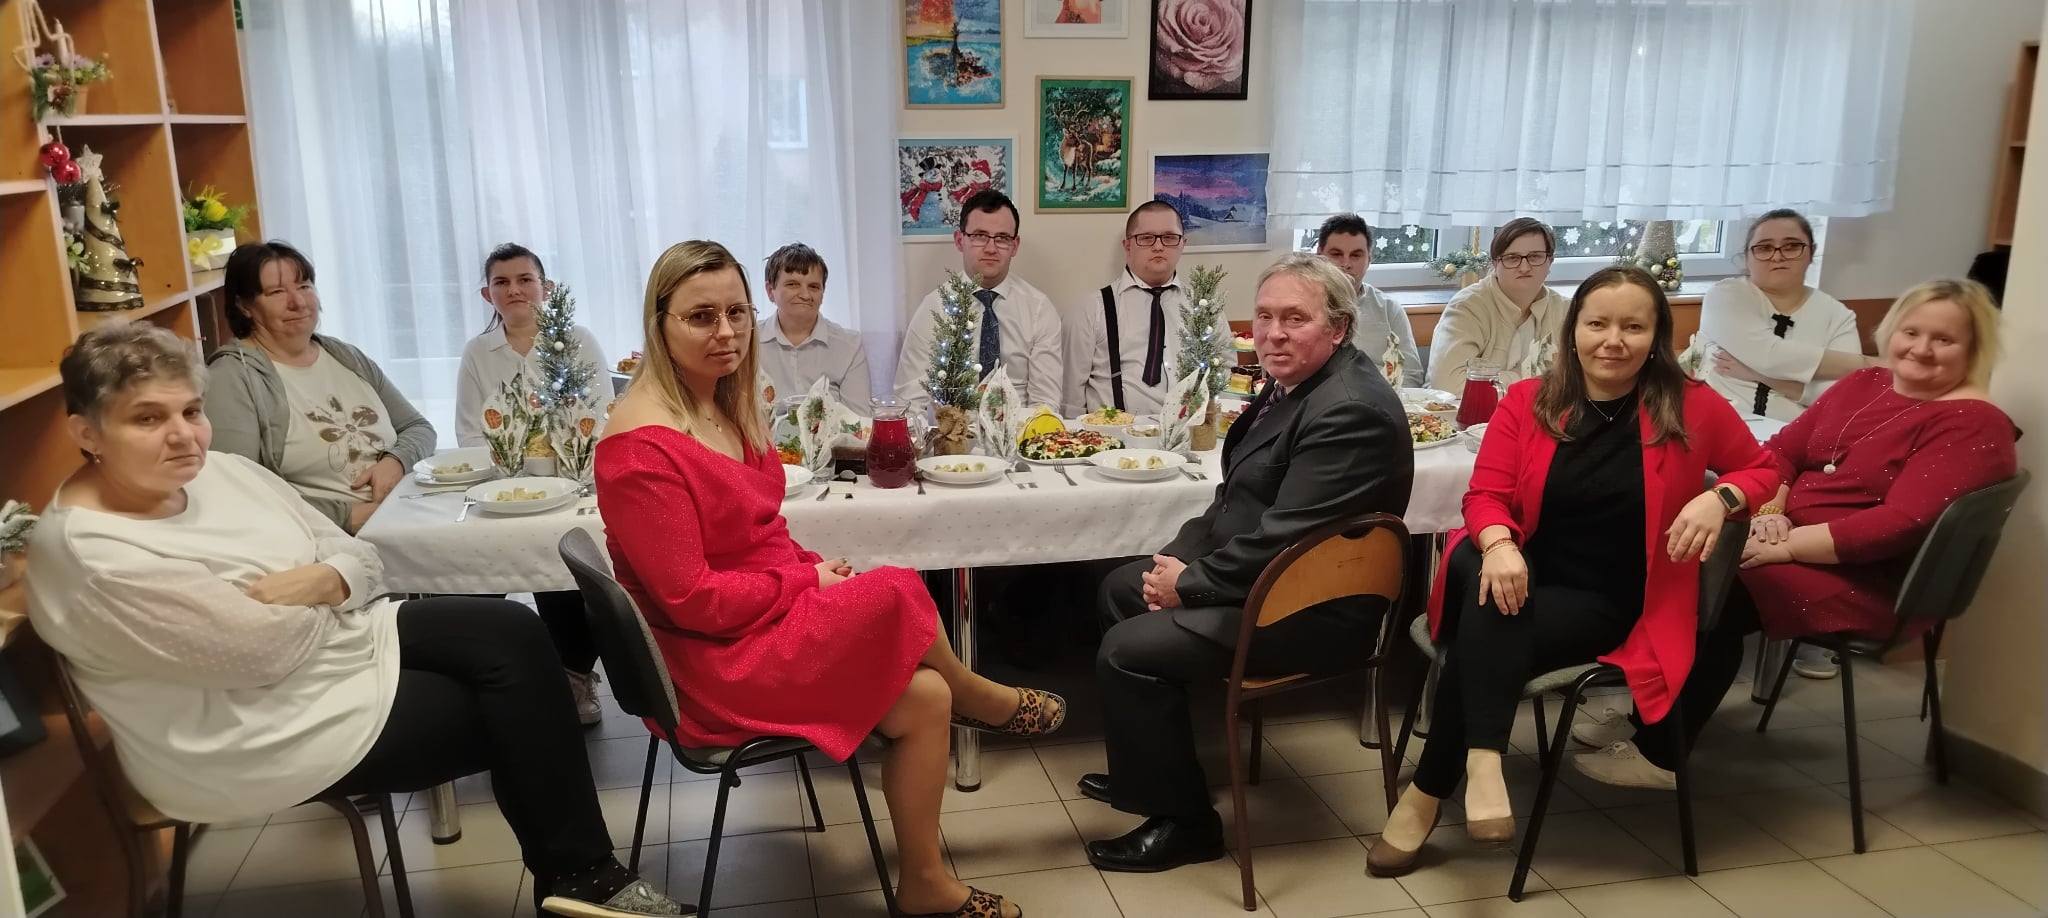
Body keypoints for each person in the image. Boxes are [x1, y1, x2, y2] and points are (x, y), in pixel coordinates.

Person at [29, 323, 683, 918]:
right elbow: (263, 653)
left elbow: (362, 557)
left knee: (513, 631)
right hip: (257, 731)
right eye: (147, 418)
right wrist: (330, 587)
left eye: (192, 411)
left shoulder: (220, 471)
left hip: (335, 653)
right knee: (514, 708)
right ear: (85, 432)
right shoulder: (98, 557)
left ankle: (579, 881)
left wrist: (325, 581)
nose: (183, 434)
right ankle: (584, 881)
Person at [595, 240, 1066, 918]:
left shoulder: (716, 400)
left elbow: (755, 532)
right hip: (709, 667)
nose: (726, 332)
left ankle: (924, 882)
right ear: (658, 322)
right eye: (701, 317)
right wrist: (803, 585)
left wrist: (805, 569)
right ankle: (981, 697)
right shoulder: (640, 447)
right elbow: (693, 600)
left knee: (926, 696)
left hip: (748, 627)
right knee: (897, 586)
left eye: (735, 312)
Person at [1368, 267, 1779, 877]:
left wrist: (1720, 498)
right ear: (1574, 330)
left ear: (1656, 336)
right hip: (1523, 571)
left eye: (1632, 326)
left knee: (1483, 621)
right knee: (1485, 566)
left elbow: (1764, 469)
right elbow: (1485, 496)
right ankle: (1480, 763)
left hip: (1610, 598)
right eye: (1597, 323)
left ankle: (1433, 789)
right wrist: (1501, 545)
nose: (1613, 340)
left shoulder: (1691, 405)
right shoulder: (1528, 400)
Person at [1572, 278, 2018, 789]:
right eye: (1911, 332)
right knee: (1669, 559)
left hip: (1863, 577)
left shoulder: (1973, 424)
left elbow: (1899, 525)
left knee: (1709, 594)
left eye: (1944, 339)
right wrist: (1772, 509)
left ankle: (1660, 753)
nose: (1921, 348)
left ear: (1974, 348)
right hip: (1785, 540)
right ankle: (1647, 714)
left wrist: (1784, 546)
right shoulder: (1865, 383)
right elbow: (1781, 451)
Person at [1079, 253, 1414, 872]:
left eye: (1295, 318)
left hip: (1311, 611)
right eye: (1264, 316)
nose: (1273, 333)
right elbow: (1235, 499)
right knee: (1122, 588)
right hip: (1270, 581)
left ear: (1338, 328)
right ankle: (1152, 774)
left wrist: (1192, 584)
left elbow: (1287, 536)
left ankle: (1187, 825)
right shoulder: (1296, 382)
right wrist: (1176, 560)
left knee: (1127, 651)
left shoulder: (1350, 409)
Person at [453, 242, 612, 723]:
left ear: (548, 287)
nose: (515, 290)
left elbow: (601, 417)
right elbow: (469, 433)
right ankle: (480, 682)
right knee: (471, 567)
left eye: (526, 279)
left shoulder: (577, 340)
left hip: (572, 484)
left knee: (568, 565)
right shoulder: (479, 352)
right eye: (501, 282)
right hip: (505, 489)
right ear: (488, 294)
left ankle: (575, 675)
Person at [204, 241, 436, 534]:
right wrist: (347, 517)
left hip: (400, 514)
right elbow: (241, 491)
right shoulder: (231, 377)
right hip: (328, 538)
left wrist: (396, 461)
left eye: (304, 286)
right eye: (276, 292)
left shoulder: (345, 356)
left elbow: (418, 428)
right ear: (244, 306)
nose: (298, 302)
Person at [895, 190, 1063, 415]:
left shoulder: (1038, 309)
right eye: (980, 236)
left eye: (1002, 238)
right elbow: (910, 402)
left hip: (1020, 429)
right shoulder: (934, 308)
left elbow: (1045, 404)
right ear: (959, 240)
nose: (991, 248)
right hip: (951, 431)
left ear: (1015, 246)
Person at [1697, 208, 1872, 422]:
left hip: (1798, 431)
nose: (1778, 256)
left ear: (1811, 252)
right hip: (1722, 422)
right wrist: (1866, 362)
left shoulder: (1837, 315)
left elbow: (1843, 395)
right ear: (1747, 257)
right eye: (1764, 248)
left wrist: (1760, 376)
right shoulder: (1726, 295)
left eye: (1791, 246)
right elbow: (1768, 356)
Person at [1063, 200, 1206, 417]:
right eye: (1146, 238)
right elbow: (1070, 397)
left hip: (1191, 431)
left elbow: (1224, 378)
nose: (1158, 246)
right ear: (1128, 246)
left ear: (1182, 244)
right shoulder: (1091, 309)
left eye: (1169, 237)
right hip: (1112, 434)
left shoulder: (1204, 308)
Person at [1426, 218, 1570, 392]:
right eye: (1512, 258)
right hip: (1466, 410)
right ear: (1495, 263)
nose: (1524, 267)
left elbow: (1577, 379)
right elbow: (1448, 385)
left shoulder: (1566, 311)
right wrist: (1532, 378)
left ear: (1550, 261)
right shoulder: (1467, 307)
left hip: (1542, 409)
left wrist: (1490, 379)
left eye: (1535, 257)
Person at [754, 242, 872, 406]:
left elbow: (859, 416)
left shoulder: (850, 346)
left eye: (814, 287)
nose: (805, 295)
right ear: (770, 290)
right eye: (792, 284)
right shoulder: (748, 341)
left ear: (823, 293)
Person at [1315, 213, 1423, 386]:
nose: (1346, 264)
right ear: (1319, 256)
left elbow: (1410, 375)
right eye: (1336, 254)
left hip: (1376, 398)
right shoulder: (1302, 305)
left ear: (1369, 260)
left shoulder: (1389, 309)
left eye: (1356, 255)